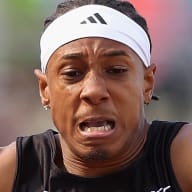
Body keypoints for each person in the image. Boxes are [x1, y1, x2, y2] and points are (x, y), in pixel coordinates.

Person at [0, 0, 192, 191]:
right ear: (45, 89)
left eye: (116, 70)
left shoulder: (182, 158)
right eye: (72, 73)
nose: (94, 91)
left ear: (147, 82)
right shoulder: (11, 174)